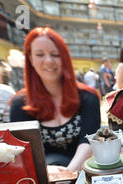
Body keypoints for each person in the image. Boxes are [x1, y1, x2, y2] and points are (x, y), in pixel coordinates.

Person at [9, 27, 100, 172]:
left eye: (55, 54)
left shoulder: (88, 96)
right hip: (43, 177)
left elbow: (88, 139)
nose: (49, 61)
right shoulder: (20, 103)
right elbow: (22, 150)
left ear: (64, 57)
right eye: (39, 54)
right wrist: (47, 173)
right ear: (31, 59)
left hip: (82, 174)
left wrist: (69, 174)